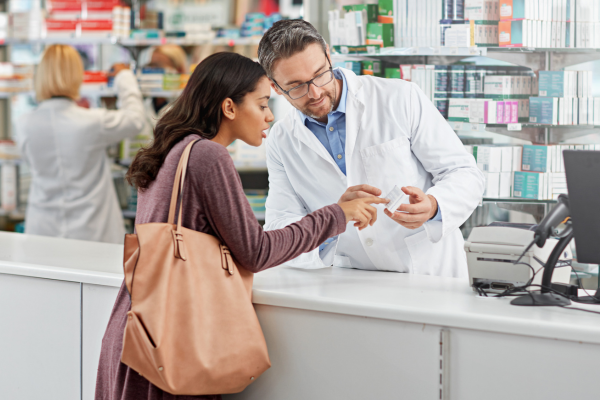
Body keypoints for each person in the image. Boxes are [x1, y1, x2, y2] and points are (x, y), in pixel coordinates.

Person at [95, 52, 387, 400]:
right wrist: (336, 216)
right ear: (229, 107)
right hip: (174, 341)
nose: (269, 117)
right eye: (262, 104)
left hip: (137, 332)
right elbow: (256, 252)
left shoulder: (171, 148)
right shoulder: (208, 156)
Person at [258, 20, 485, 277]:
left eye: (320, 74)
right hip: (354, 279)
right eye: (297, 86)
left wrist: (434, 206)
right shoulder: (281, 139)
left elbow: (464, 172)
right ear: (275, 87)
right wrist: (332, 223)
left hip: (428, 271)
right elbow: (280, 226)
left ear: (328, 56)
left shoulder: (400, 97)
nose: (315, 92)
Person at [15, 44, 145, 244]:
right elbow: (136, 119)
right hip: (92, 231)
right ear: (77, 75)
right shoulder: (92, 122)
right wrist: (124, 77)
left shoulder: (24, 124)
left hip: (42, 229)